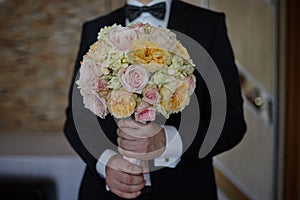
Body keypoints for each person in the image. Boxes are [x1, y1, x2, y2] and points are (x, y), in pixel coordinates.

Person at [63, 0, 247, 199]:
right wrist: (106, 163)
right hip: (104, 191)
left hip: (186, 189)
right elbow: (76, 119)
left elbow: (231, 121)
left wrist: (168, 142)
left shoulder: (208, 24)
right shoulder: (95, 28)